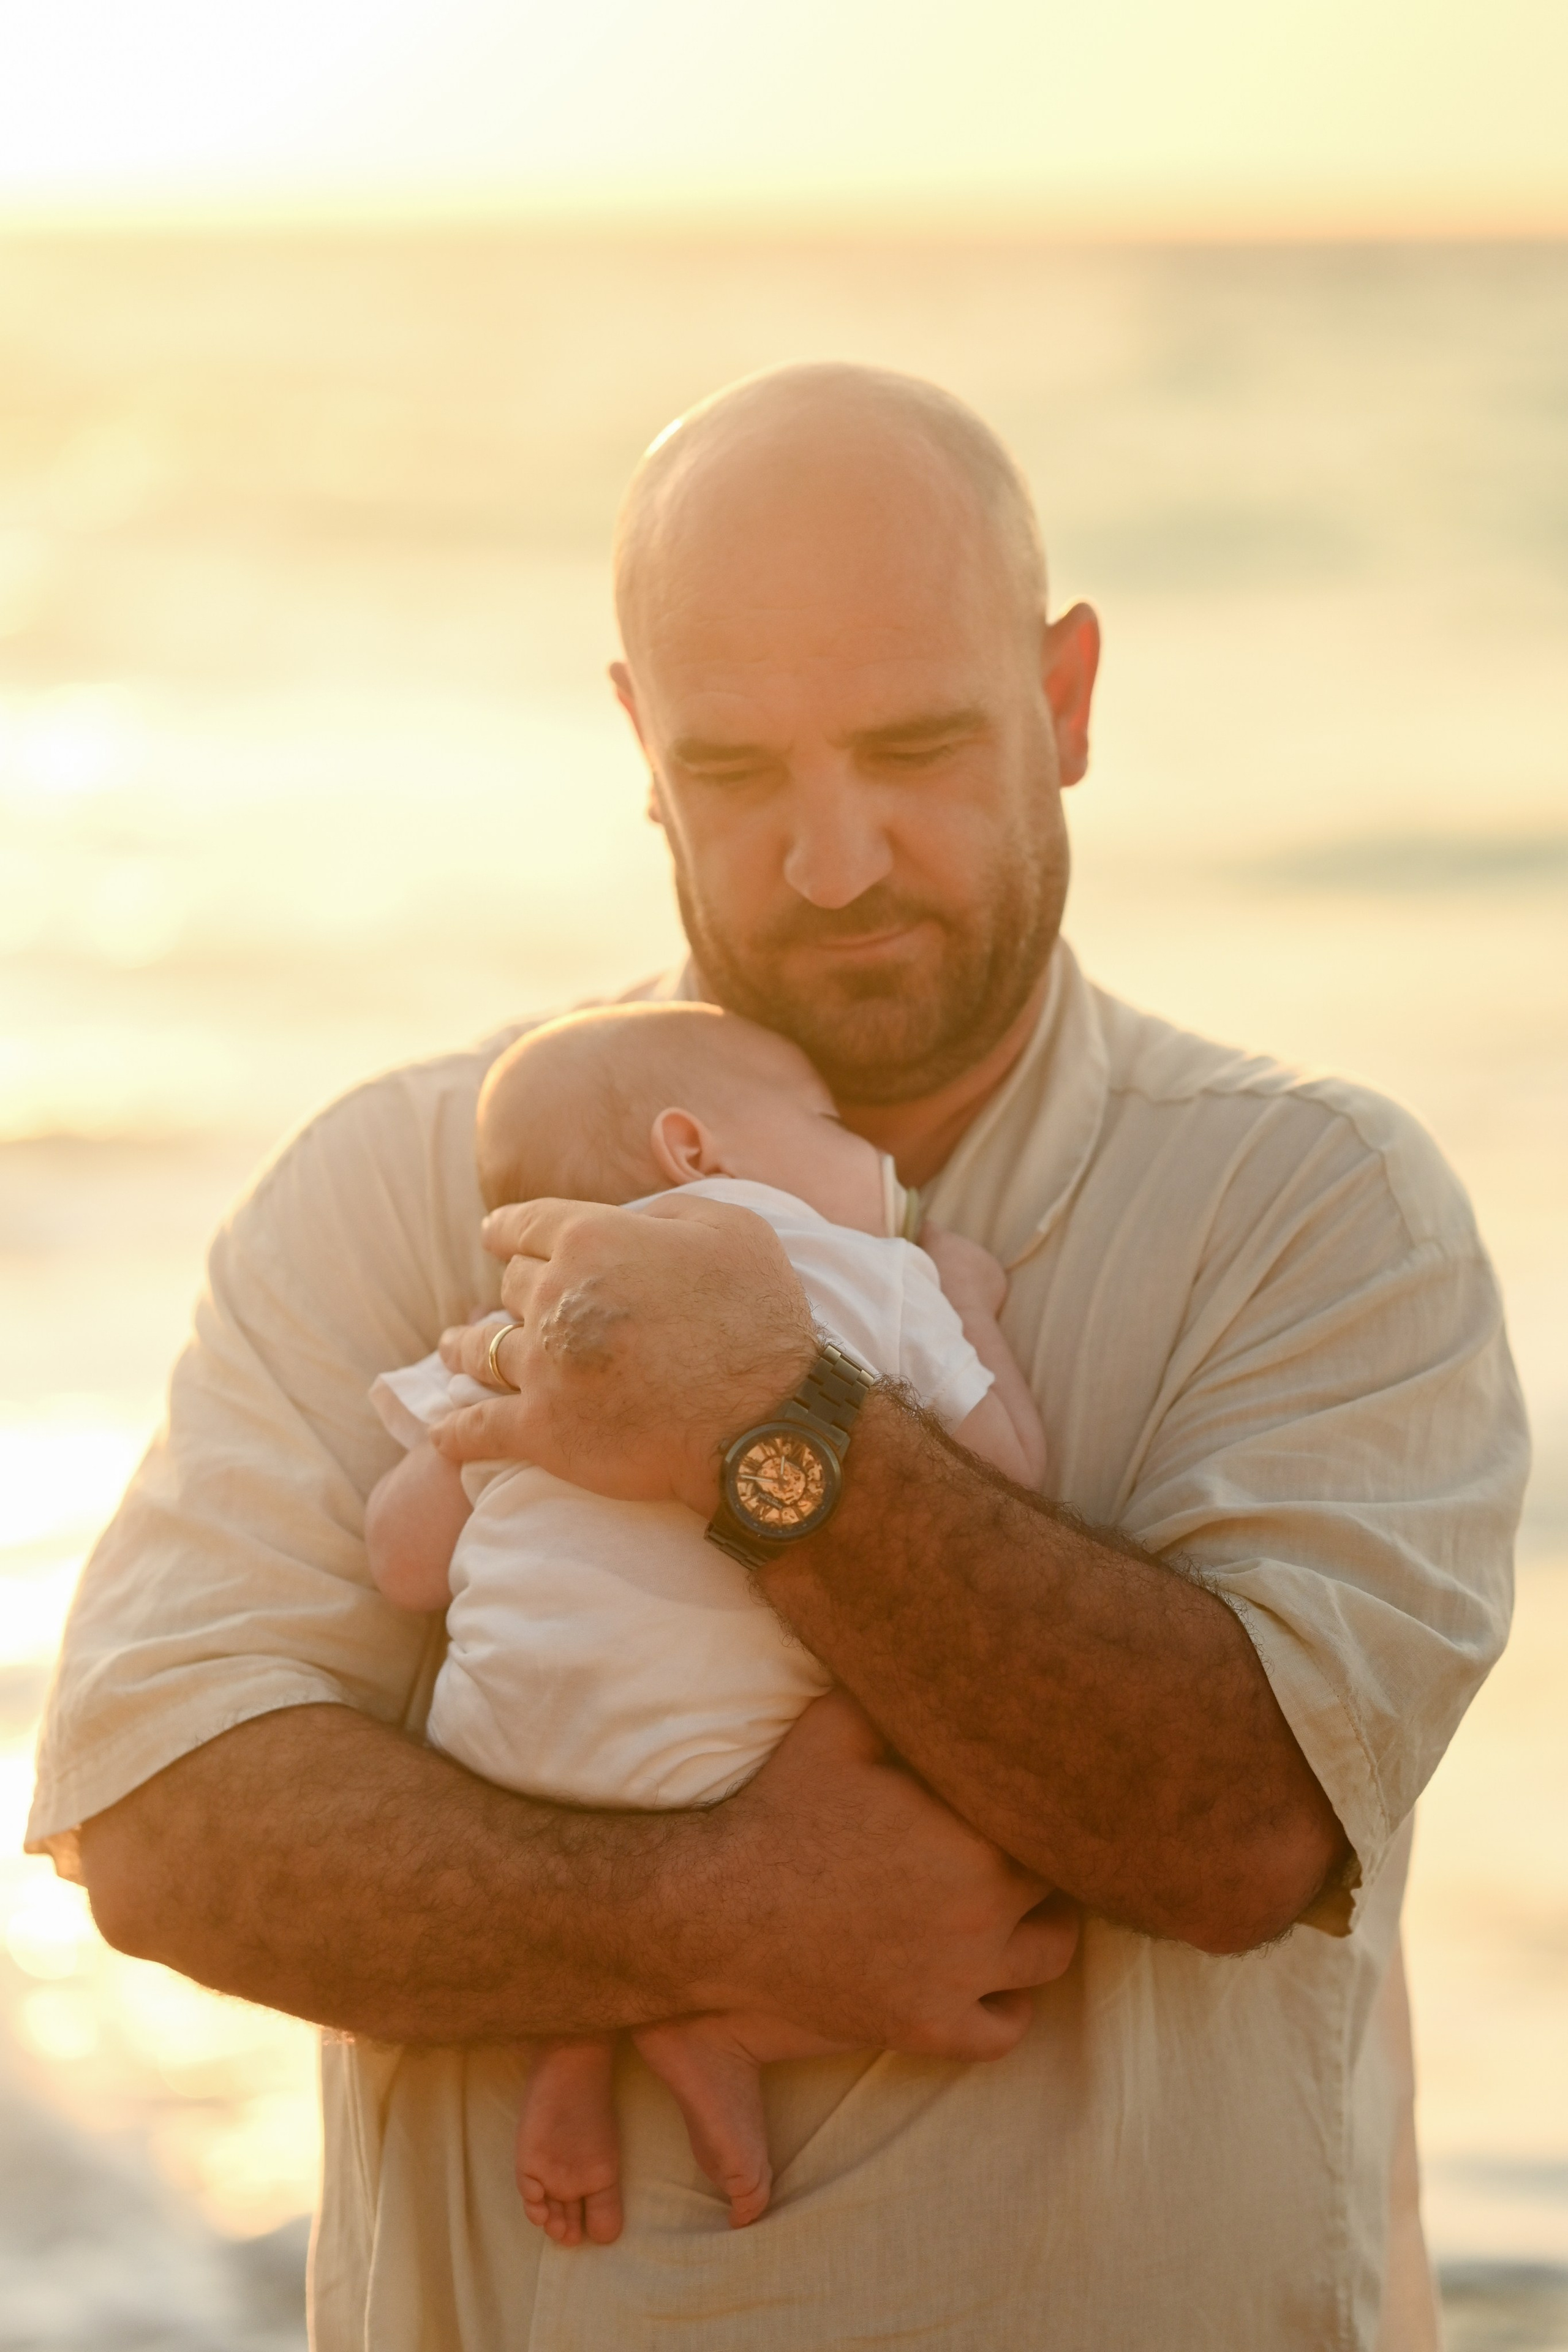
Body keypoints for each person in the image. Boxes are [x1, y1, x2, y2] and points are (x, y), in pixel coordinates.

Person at [28, 363, 1526, 2351]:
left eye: (915, 747)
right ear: (641, 744)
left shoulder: (1316, 1209)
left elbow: (1244, 1818)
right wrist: (716, 1910)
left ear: (1067, 702)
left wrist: (772, 1425)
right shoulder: (403, 1184)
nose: (833, 861)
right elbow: (159, 1823)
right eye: (739, 774)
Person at [364, 1000, 1067, 2246]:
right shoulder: (842, 1263)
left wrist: (474, 1427)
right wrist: (969, 1305)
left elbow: (407, 1566)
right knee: (921, 1722)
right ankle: (723, 2024)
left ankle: (571, 2050)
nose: (874, 1160)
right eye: (827, 1123)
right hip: (735, 1767)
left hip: (501, 1756)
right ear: (694, 1150)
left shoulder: (516, 1322)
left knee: (597, 1842)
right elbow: (1007, 1477)